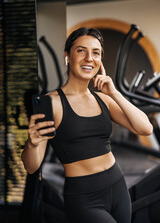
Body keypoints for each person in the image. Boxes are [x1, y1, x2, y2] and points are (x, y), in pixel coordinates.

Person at [21, 27, 153, 223]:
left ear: (100, 60)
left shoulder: (104, 99)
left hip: (118, 187)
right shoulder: (52, 103)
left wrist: (115, 93)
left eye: (96, 53)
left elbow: (145, 128)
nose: (89, 58)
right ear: (68, 56)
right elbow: (32, 167)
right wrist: (31, 144)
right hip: (84, 198)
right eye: (81, 50)